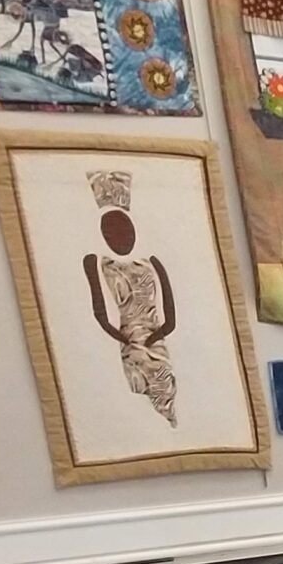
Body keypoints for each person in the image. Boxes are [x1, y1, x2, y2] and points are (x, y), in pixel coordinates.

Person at [81, 172, 177, 425]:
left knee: (163, 391)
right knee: (137, 399)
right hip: (130, 346)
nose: (121, 237)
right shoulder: (97, 263)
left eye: (125, 229)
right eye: (110, 231)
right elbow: (100, 312)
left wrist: (156, 336)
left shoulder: (151, 263)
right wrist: (124, 338)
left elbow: (170, 317)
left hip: (154, 344)